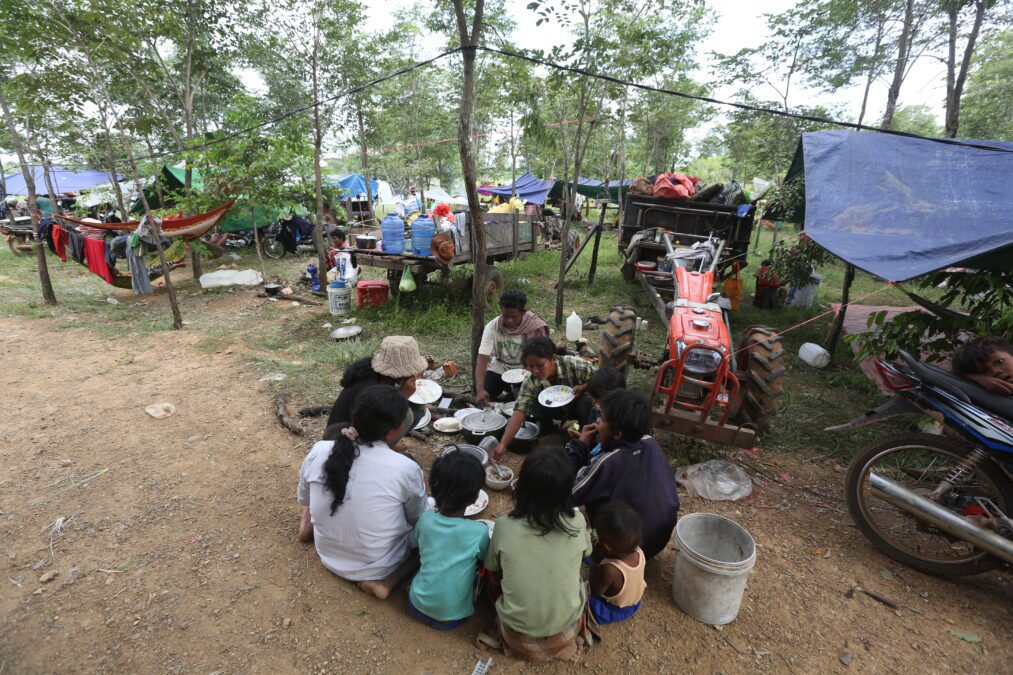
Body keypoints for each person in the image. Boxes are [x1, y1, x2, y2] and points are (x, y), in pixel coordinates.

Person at [297, 385, 425, 599]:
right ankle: (385, 584)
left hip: (328, 555)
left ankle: (308, 529)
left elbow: (305, 499)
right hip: (379, 567)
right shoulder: (406, 469)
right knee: (436, 528)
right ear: (394, 430)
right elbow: (418, 519)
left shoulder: (319, 450)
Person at [482, 449, 592, 662]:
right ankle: (563, 645)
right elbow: (587, 552)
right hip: (567, 629)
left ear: (522, 489)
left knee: (490, 578)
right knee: (577, 579)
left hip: (516, 637)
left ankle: (510, 637)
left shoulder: (504, 526)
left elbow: (493, 568)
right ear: (566, 492)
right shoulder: (577, 523)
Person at [568, 390, 679, 559]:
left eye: (602, 418)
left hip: (626, 549)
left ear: (618, 434)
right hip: (657, 541)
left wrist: (579, 446)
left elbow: (568, 494)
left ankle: (604, 551)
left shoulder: (606, 462)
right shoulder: (651, 443)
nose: (597, 421)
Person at [408, 450, 490, 629]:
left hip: (416, 605)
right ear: (475, 498)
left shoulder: (425, 519)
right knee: (481, 572)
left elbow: (417, 543)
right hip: (452, 618)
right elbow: (485, 559)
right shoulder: (479, 531)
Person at [491, 336, 596, 462]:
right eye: (531, 366)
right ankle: (550, 431)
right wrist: (503, 444)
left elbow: (602, 379)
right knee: (537, 403)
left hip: (577, 407)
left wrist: (584, 387)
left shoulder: (575, 365)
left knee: (586, 402)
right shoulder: (531, 380)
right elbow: (520, 411)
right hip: (556, 411)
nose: (535, 371)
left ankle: (586, 438)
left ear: (553, 359)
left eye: (540, 365)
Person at [326, 336, 428, 428]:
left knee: (415, 407)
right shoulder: (369, 388)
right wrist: (403, 396)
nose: (412, 374)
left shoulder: (377, 373)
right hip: (346, 436)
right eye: (410, 371)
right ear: (399, 373)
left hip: (359, 425)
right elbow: (376, 423)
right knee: (414, 413)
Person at [475, 289, 549, 405]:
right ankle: (508, 396)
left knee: (533, 398)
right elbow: (482, 358)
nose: (509, 321)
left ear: (523, 313)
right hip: (501, 366)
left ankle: (511, 396)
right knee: (488, 392)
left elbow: (543, 357)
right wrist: (480, 389)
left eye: (514, 317)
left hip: (526, 368)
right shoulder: (493, 327)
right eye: (505, 316)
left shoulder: (534, 326)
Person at [588, 502, 647, 625]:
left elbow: (595, 590)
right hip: (633, 604)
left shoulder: (609, 571)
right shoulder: (638, 552)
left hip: (611, 610)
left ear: (607, 547)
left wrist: (595, 561)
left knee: (581, 595)